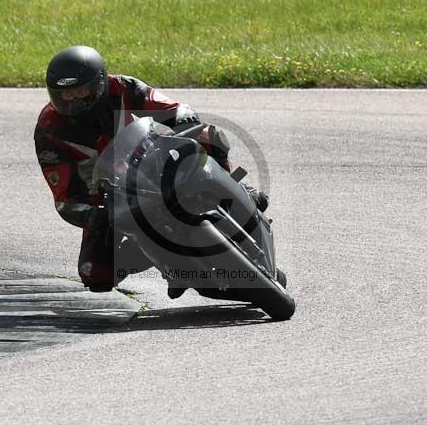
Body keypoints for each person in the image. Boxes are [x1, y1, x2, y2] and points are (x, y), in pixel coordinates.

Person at [34, 45, 266, 296]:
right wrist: (89, 214)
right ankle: (165, 262)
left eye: (81, 91)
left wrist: (182, 116)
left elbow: (167, 105)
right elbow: (63, 198)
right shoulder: (48, 130)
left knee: (208, 135)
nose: (75, 100)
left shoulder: (121, 87)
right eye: (66, 95)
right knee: (96, 275)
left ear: (98, 84)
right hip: (107, 198)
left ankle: (235, 188)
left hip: (148, 160)